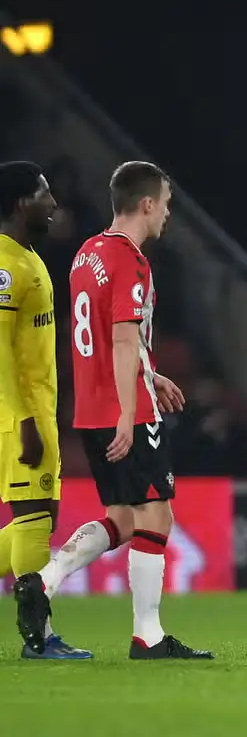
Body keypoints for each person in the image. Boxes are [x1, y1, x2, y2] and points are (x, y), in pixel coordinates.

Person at [22, 161, 210, 660]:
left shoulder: (86, 254)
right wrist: (131, 411)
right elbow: (123, 337)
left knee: (124, 519)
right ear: (147, 204)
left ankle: (44, 580)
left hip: (89, 407)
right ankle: (147, 635)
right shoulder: (130, 259)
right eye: (166, 204)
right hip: (126, 410)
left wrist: (151, 373)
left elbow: (107, 340)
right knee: (157, 516)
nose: (168, 214)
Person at [0, 162, 90, 659]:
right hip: (20, 415)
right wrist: (26, 421)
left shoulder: (28, 257)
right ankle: (38, 636)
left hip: (40, 409)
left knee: (42, 515)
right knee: (32, 513)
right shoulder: (6, 267)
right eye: (43, 194)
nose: (54, 203)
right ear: (20, 203)